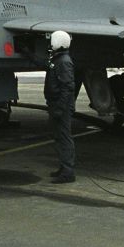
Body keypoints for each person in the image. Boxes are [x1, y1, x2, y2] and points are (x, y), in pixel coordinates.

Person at [44, 30, 77, 183]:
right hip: (56, 104)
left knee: (64, 138)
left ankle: (68, 172)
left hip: (61, 107)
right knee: (58, 137)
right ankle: (64, 167)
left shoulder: (64, 61)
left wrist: (60, 108)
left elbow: (68, 87)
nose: (51, 43)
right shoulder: (58, 59)